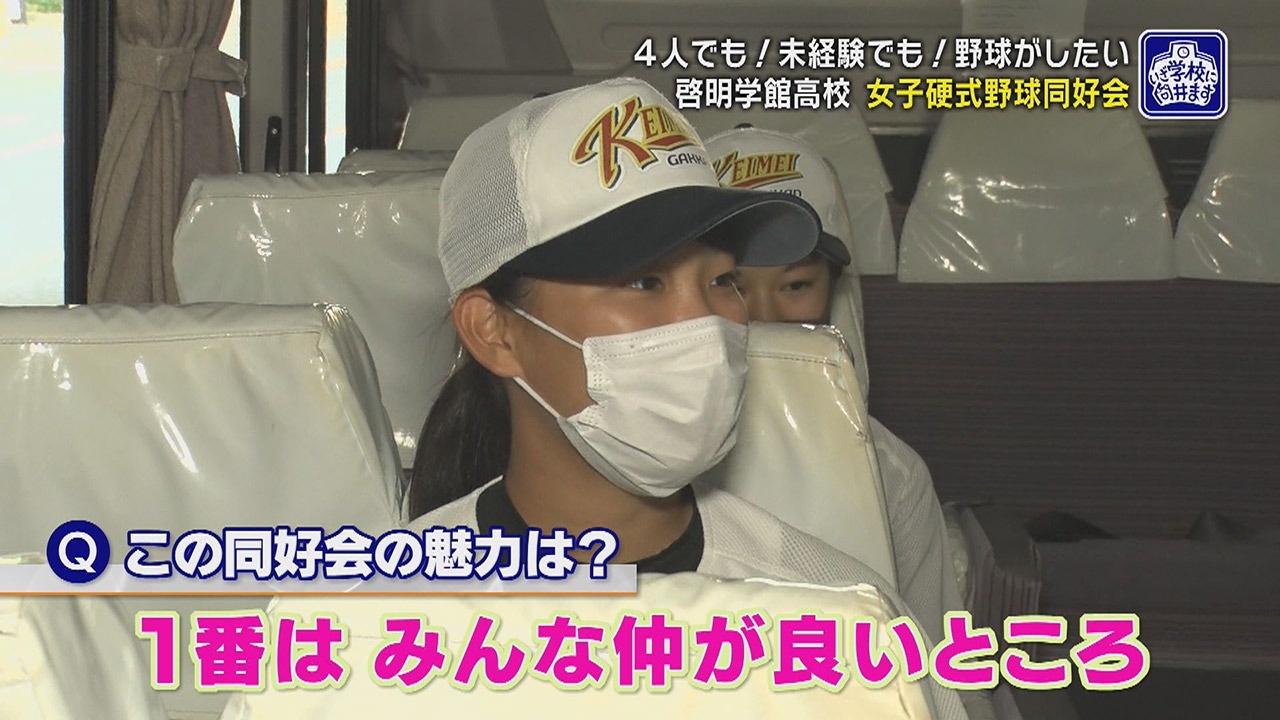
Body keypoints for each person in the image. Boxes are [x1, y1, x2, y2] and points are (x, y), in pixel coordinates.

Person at [405, 77, 969, 720]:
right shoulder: (374, 626)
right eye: (644, 281)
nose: (704, 324)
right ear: (494, 331)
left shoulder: (841, 619)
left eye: (722, 280)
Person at [706, 125, 996, 720]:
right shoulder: (627, 456)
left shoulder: (891, 474)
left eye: (795, 285)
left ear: (836, 294)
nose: (762, 318)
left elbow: (942, 672)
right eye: (729, 285)